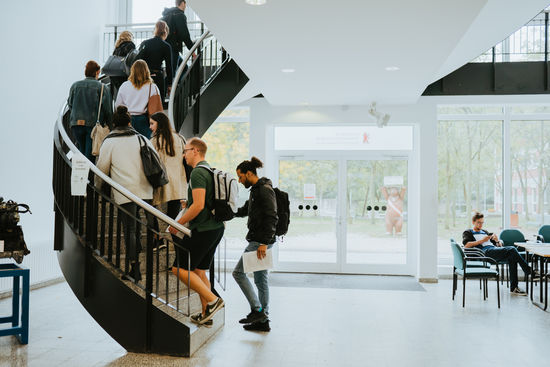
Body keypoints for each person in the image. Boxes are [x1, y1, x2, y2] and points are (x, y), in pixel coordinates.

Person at [95, 106, 157, 282]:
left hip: (124, 192)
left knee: (130, 229)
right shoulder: (142, 139)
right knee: (146, 225)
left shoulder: (109, 142)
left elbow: (101, 170)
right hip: (146, 191)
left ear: (114, 123)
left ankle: (134, 267)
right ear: (130, 122)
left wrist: (98, 189)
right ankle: (149, 262)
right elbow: (155, 161)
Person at [168, 137, 225, 325]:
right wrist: (189, 203)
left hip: (204, 228)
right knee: (200, 272)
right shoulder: (208, 170)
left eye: (185, 150)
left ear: (196, 151)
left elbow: (199, 206)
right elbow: (201, 201)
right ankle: (205, 314)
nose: (183, 155)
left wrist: (177, 224)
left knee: (178, 268)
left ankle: (213, 300)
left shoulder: (198, 173)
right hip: (215, 228)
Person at [232, 157, 278, 332]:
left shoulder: (264, 190)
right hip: (261, 240)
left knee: (238, 273)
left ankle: (257, 310)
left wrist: (264, 243)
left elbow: (272, 216)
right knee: (260, 279)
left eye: (240, 176)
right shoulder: (256, 190)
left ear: (249, 173)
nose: (239, 180)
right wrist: (227, 212)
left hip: (260, 241)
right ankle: (263, 321)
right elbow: (245, 210)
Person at [463, 212, 536, 295]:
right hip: (484, 253)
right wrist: (482, 241)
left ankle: (514, 288)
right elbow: (466, 245)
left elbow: (498, 246)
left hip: (493, 250)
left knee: (512, 257)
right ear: (473, 222)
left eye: (482, 222)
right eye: (478, 222)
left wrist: (497, 240)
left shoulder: (485, 232)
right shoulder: (468, 232)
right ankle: (529, 271)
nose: (480, 225)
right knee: (512, 249)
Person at [67, 60, 112, 160]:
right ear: (96, 72)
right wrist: (111, 127)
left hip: (76, 124)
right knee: (89, 155)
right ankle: (88, 175)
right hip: (93, 125)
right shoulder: (102, 88)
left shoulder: (75, 86)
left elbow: (70, 104)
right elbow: (108, 110)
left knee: (80, 151)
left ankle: (79, 174)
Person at [149, 111, 187, 222]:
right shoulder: (180, 139)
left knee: (157, 218)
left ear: (159, 124)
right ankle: (175, 239)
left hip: (162, 184)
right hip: (178, 186)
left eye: (152, 123)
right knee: (174, 221)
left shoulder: (154, 141)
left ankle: (158, 238)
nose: (150, 127)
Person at [115, 60, 161, 139]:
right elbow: (157, 108)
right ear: (146, 71)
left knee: (129, 145)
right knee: (146, 144)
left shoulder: (124, 86)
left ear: (132, 71)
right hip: (145, 121)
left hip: (127, 120)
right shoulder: (152, 87)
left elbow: (118, 105)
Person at [136, 21, 172, 104]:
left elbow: (137, 60)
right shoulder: (166, 46)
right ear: (165, 32)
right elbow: (169, 66)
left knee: (144, 103)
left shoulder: (145, 43)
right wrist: (170, 84)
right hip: (157, 77)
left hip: (144, 76)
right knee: (158, 103)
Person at [162, 0, 194, 75]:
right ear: (183, 3)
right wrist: (192, 51)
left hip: (166, 45)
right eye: (185, 4)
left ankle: (176, 85)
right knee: (172, 73)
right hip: (173, 47)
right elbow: (184, 34)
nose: (186, 6)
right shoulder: (179, 15)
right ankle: (171, 86)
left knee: (184, 68)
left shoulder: (167, 14)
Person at [110, 31, 136, 96]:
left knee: (121, 94)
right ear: (129, 37)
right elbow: (132, 59)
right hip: (124, 73)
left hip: (115, 75)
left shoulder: (117, 48)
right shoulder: (130, 45)